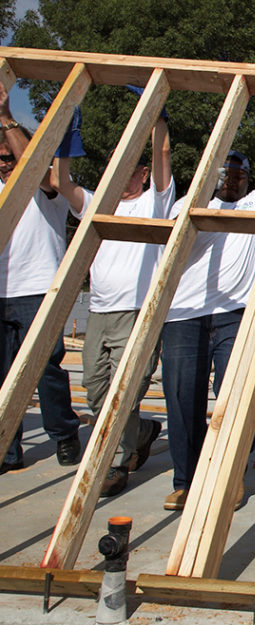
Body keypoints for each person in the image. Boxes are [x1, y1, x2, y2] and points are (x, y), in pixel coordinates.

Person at [159, 88, 255, 511]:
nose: (234, 180)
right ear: (213, 174)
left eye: (240, 174)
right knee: (183, 399)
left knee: (235, 398)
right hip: (184, 315)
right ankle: (187, 480)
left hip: (236, 316)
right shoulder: (190, 204)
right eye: (227, 173)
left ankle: (229, 477)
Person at [50, 92, 174, 496]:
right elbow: (61, 183)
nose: (120, 176)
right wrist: (65, 143)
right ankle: (141, 433)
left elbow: (163, 156)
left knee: (124, 391)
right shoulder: (98, 204)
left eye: (129, 170)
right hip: (100, 313)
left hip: (137, 312)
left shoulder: (155, 203)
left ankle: (116, 463)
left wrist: (157, 117)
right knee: (95, 387)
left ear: (140, 174)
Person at [0, 82, 82, 472]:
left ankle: (64, 433)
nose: (3, 163)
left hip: (38, 290)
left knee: (44, 368)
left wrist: (4, 116)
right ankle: (7, 449)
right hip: (2, 292)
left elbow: (34, 167)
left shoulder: (46, 189)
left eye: (8, 156)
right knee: (2, 379)